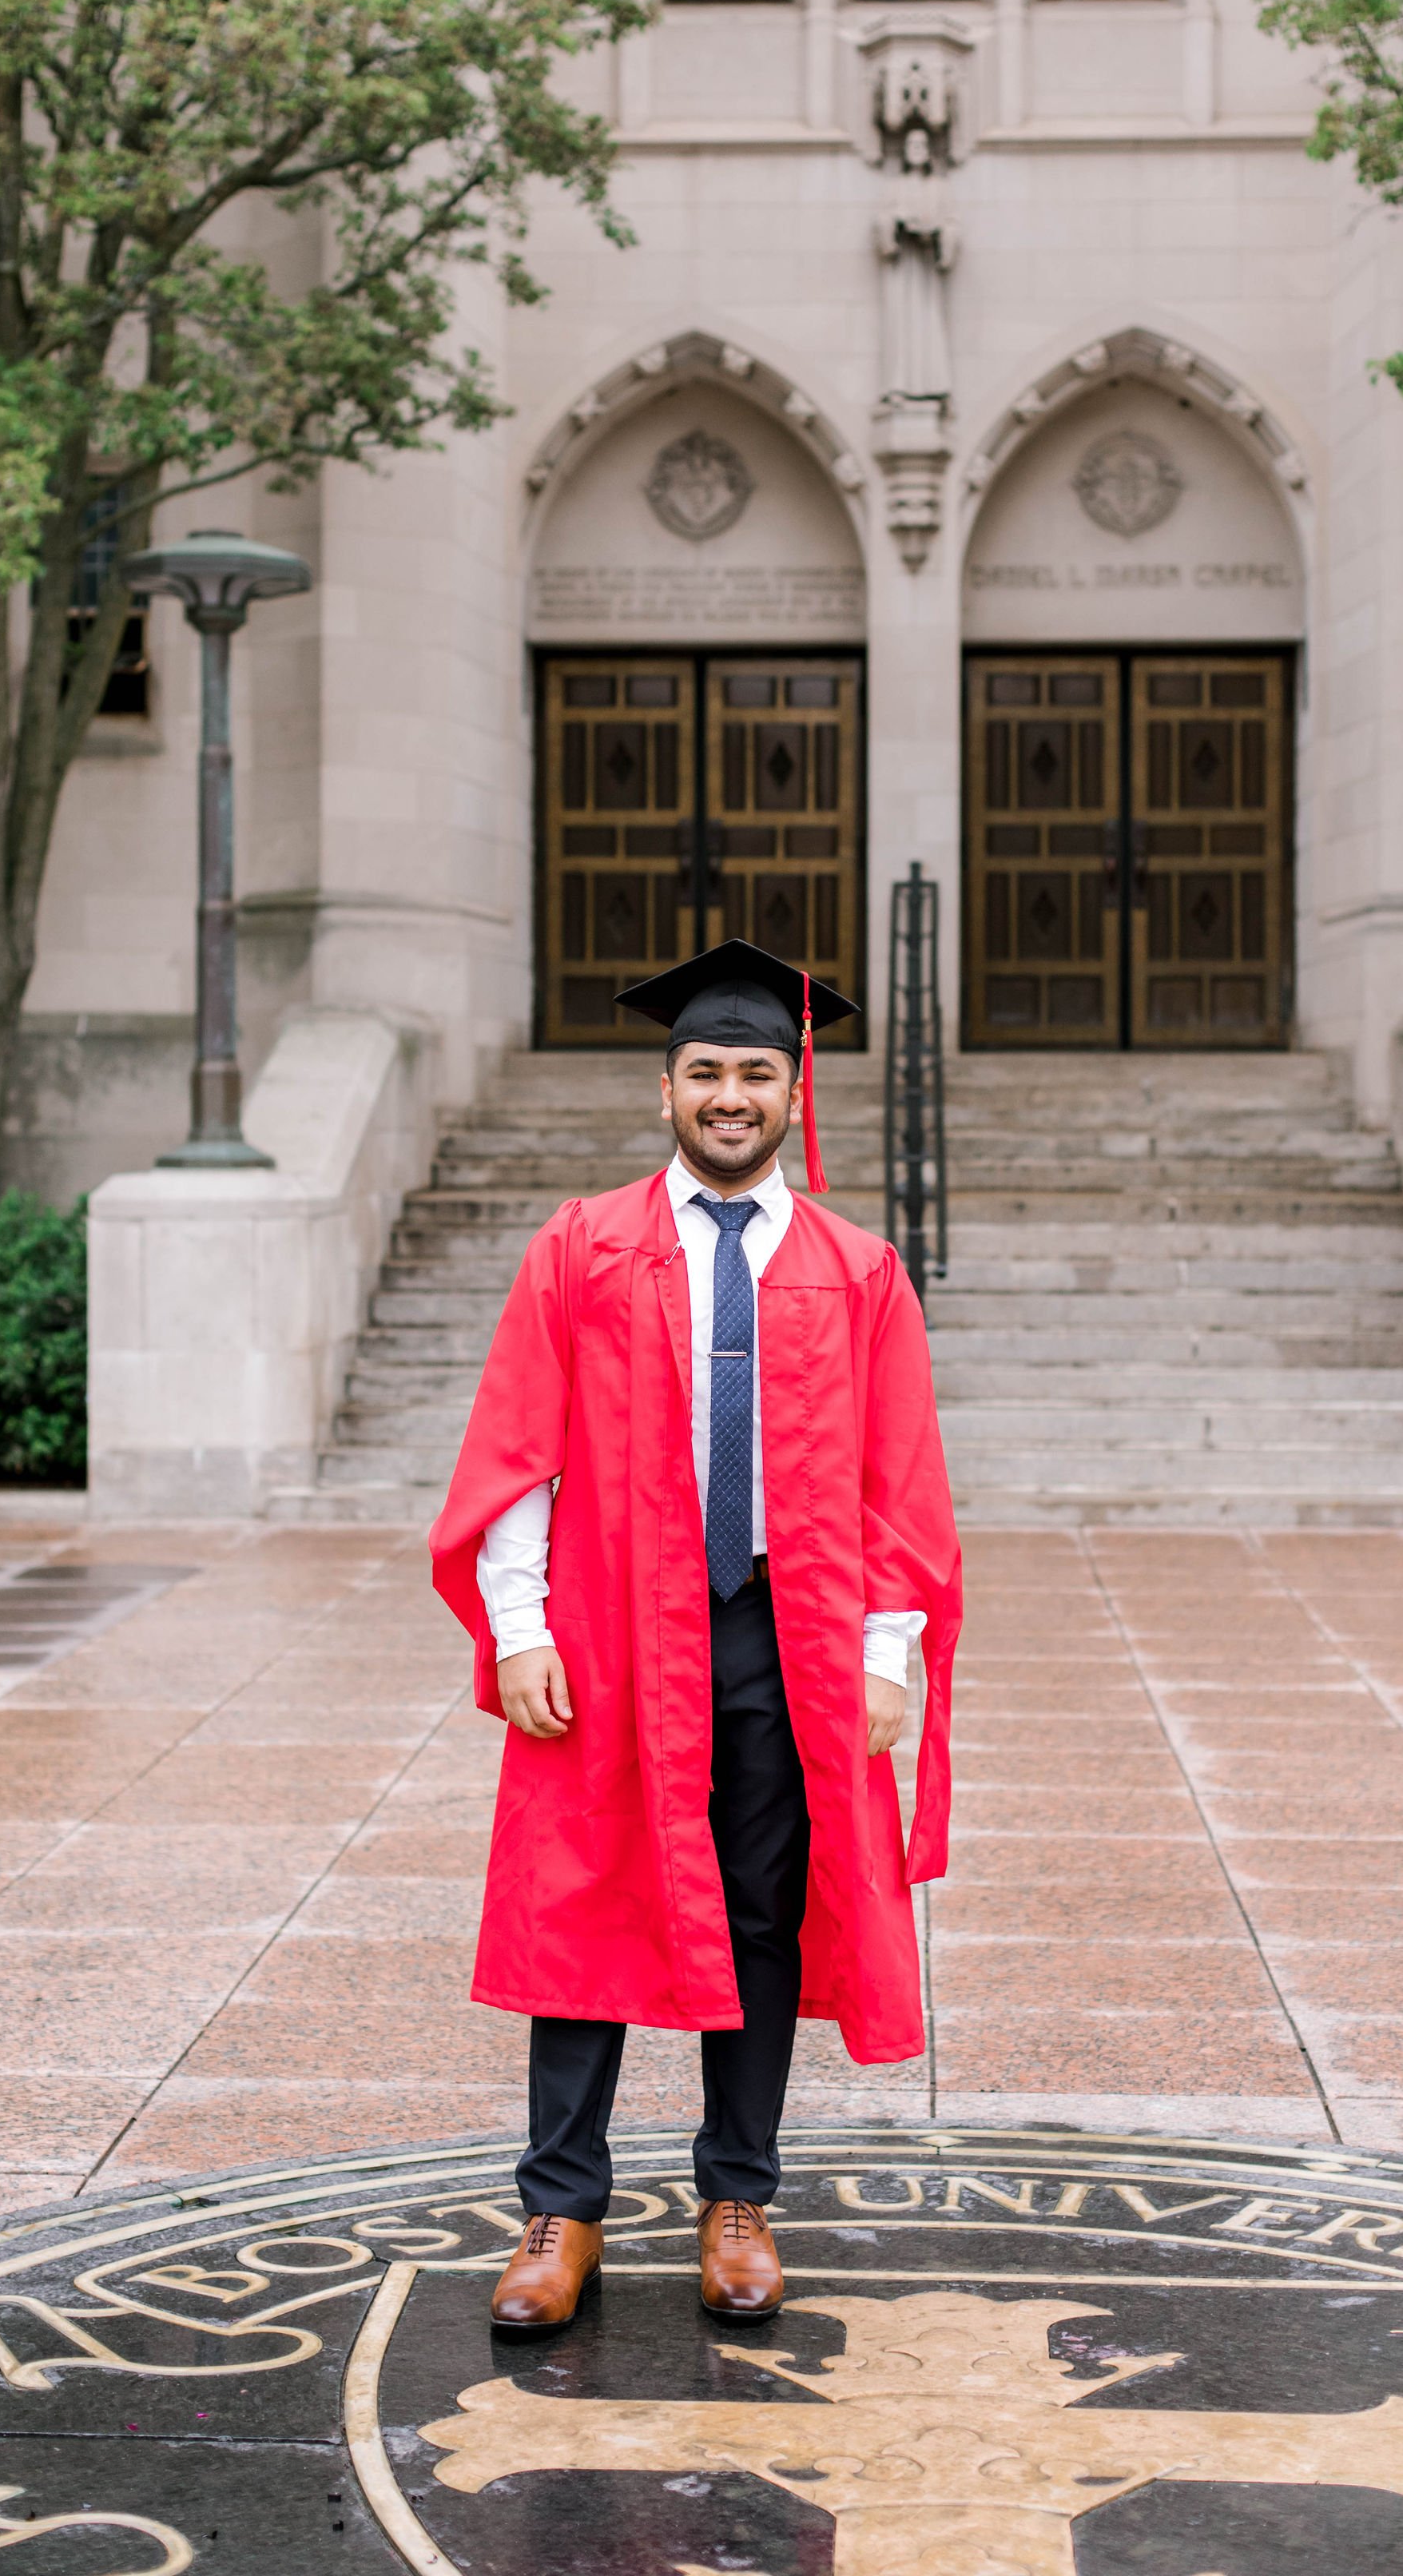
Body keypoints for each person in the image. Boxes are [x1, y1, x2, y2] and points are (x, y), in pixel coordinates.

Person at [429, 939, 963, 2334]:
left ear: (797, 1093)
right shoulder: (585, 1246)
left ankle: (739, 2197)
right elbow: (514, 1451)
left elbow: (897, 1481)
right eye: (708, 1073)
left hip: (786, 1639)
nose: (733, 1096)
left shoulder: (858, 1271)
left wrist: (888, 1654)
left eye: (758, 1074)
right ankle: (561, 2209)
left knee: (768, 1911)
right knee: (582, 1901)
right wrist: (521, 1626)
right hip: (610, 1635)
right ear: (666, 1088)